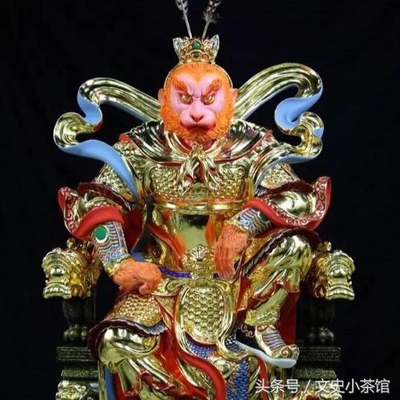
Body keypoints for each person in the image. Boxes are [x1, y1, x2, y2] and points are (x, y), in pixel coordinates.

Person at [43, 4, 355, 400]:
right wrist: (119, 260)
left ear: (231, 99)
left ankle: (259, 324)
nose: (196, 112)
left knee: (295, 244)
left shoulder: (251, 147)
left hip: (240, 288)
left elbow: (299, 199)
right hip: (161, 287)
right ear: (164, 100)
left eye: (209, 99)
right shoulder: (142, 148)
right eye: (184, 98)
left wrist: (247, 222)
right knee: (115, 343)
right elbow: (96, 203)